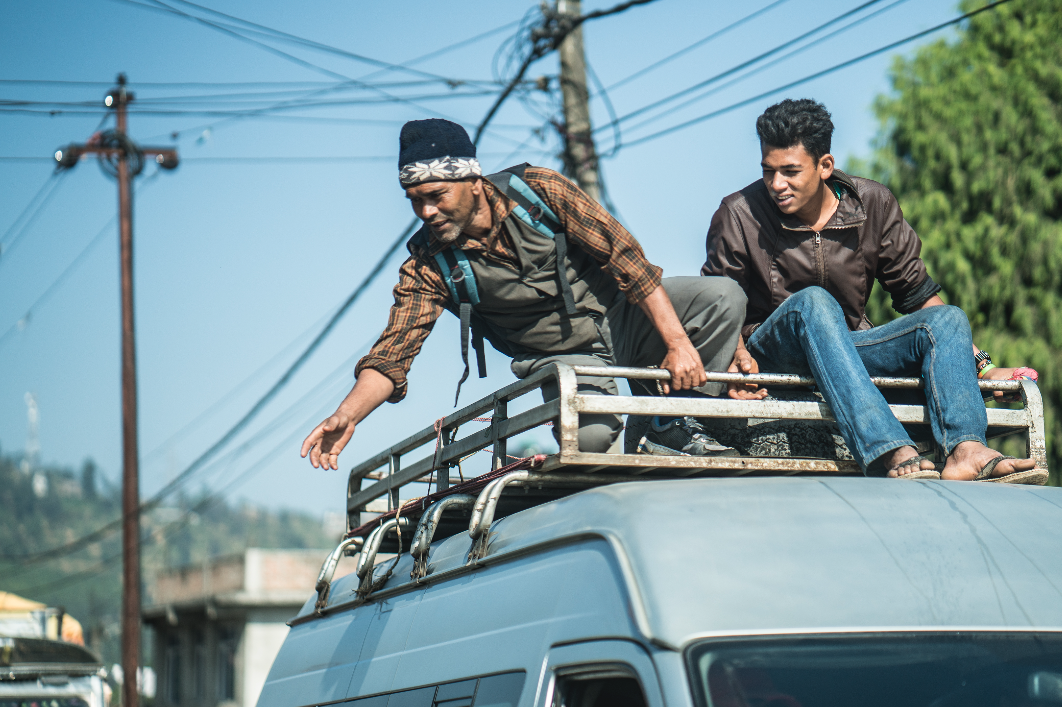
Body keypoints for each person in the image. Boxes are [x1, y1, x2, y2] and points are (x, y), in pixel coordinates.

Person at [302, 119, 744, 468]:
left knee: (722, 298)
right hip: (566, 358)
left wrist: (677, 343)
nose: (426, 212)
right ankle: (642, 437)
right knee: (588, 437)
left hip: (623, 317)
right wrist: (348, 414)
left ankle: (670, 425)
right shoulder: (428, 263)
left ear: (473, 180)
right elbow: (394, 352)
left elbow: (627, 260)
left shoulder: (539, 192)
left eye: (436, 195)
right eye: (414, 200)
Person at [702, 99, 1047, 483]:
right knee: (814, 303)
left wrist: (981, 366)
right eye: (768, 171)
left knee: (947, 318)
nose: (776, 185)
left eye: (790, 172)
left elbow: (917, 293)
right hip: (772, 350)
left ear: (825, 166)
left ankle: (965, 450)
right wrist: (735, 365)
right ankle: (890, 449)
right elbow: (721, 304)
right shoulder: (738, 213)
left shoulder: (873, 204)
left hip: (845, 348)